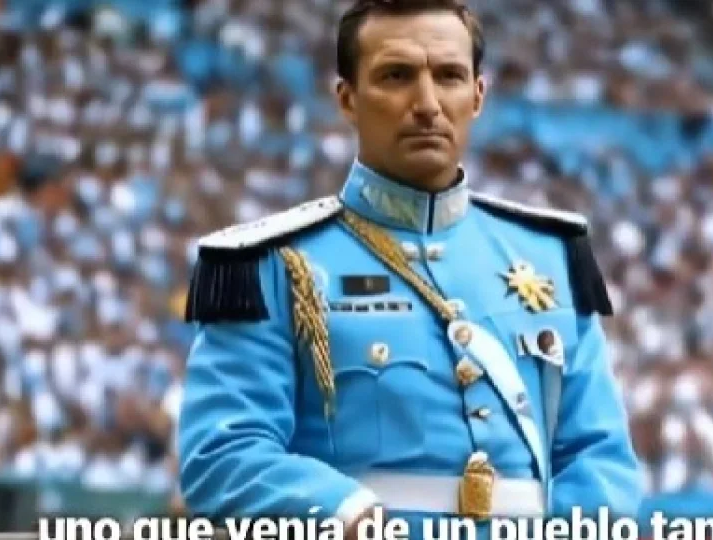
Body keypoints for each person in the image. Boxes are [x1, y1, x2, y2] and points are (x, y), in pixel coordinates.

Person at [176, 0, 644, 536]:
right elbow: (223, 452)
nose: (426, 104)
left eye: (448, 76)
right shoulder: (273, 265)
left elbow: (598, 455)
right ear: (347, 99)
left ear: (478, 95)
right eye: (396, 76)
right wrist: (345, 512)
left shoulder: (549, 257)